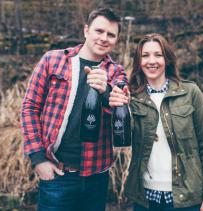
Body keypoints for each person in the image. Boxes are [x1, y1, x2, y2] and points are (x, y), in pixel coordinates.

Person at [20, 7, 127, 211]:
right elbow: (29, 107)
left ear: (116, 40)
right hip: (58, 175)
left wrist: (106, 90)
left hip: (97, 176)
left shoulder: (116, 72)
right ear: (86, 30)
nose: (104, 38)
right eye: (99, 31)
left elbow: (122, 109)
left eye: (111, 35)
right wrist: (38, 159)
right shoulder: (53, 60)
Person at [109, 33, 203, 211]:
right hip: (145, 198)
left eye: (158, 55)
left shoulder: (190, 92)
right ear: (139, 61)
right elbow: (120, 138)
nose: (151, 61)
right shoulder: (132, 97)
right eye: (145, 56)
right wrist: (119, 106)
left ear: (167, 59)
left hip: (187, 197)